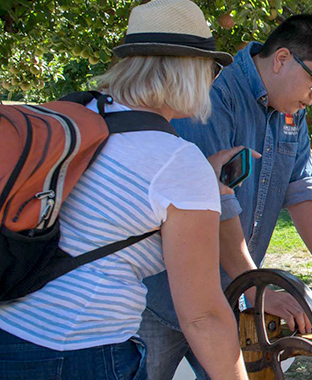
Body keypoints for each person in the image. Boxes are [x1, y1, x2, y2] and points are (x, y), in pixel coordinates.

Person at [0, 1, 250, 379]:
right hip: (77, 353)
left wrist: (199, 183)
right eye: (212, 70)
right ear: (190, 71)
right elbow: (202, 316)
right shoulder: (179, 162)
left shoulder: (85, 116)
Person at [140, 13, 312, 380]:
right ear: (282, 59)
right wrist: (257, 287)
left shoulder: (291, 113)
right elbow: (212, 202)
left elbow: (300, 192)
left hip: (228, 298)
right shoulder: (214, 95)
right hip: (162, 297)